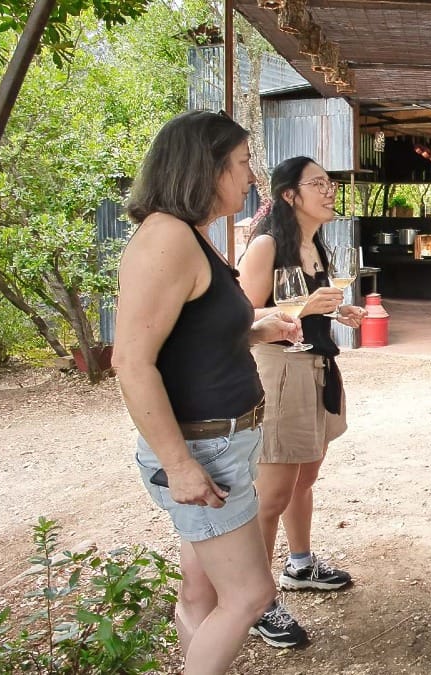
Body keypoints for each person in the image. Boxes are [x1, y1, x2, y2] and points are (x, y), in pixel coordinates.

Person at [113, 110, 301, 675]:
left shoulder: (190, 234)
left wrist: (254, 327)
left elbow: (188, 335)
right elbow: (132, 361)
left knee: (199, 595)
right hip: (202, 452)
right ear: (206, 166)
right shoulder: (166, 237)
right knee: (249, 595)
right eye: (242, 164)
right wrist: (179, 466)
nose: (250, 179)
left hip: (222, 443)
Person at [237, 156, 365, 647]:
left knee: (305, 477)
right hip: (279, 372)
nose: (330, 191)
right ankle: (259, 600)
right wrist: (307, 306)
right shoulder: (267, 243)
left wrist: (341, 309)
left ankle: (300, 563)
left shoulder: (315, 244)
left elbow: (309, 305)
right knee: (270, 494)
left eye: (330, 184)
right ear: (290, 194)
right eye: (318, 184)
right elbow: (244, 318)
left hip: (316, 366)